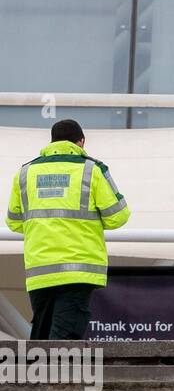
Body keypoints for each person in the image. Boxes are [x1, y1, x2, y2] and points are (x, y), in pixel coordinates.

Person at [5, 119, 130, 340]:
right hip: (78, 267)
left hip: (40, 268)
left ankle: (38, 374)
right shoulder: (92, 170)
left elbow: (14, 221)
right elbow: (118, 217)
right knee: (65, 338)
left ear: (52, 141)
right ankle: (56, 374)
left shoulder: (25, 172)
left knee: (42, 333)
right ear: (81, 142)